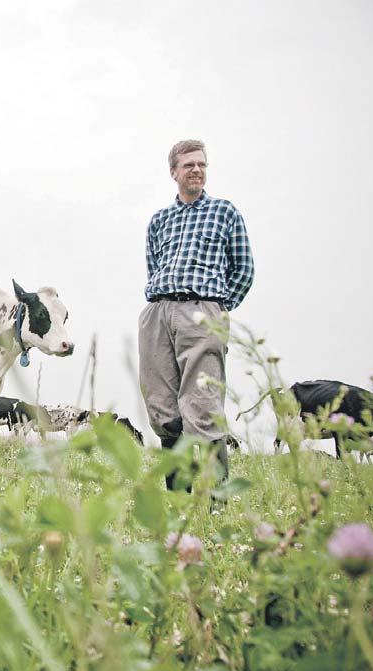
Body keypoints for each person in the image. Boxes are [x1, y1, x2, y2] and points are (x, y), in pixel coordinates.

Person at [138, 139, 254, 491]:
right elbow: (153, 267)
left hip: (202, 310)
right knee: (163, 409)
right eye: (189, 164)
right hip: (158, 312)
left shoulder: (224, 212)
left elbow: (244, 269)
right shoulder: (159, 221)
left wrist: (216, 308)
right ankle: (178, 499)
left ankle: (218, 503)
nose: (196, 170)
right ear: (173, 172)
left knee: (203, 406)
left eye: (202, 164)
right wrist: (164, 307)